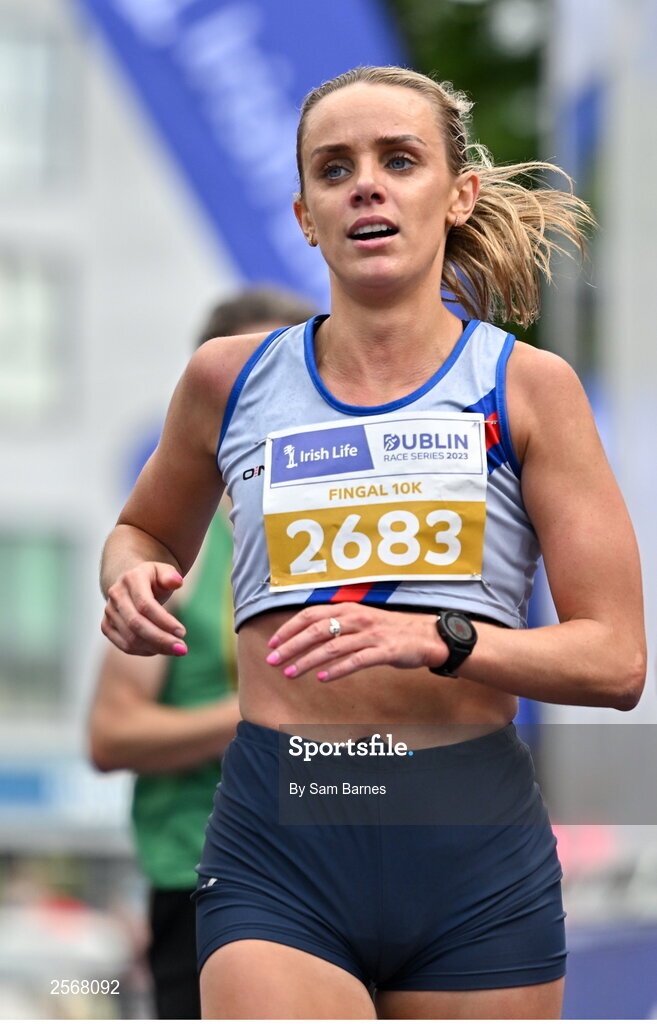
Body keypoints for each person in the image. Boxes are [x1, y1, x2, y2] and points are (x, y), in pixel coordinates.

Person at [99, 66, 646, 1020]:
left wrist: (441, 638)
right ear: (306, 214)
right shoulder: (229, 380)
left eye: (400, 160)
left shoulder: (527, 389)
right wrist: (132, 573)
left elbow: (615, 659)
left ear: (456, 193)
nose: (367, 185)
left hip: (468, 843)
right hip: (285, 830)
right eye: (333, 167)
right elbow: (143, 527)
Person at [90, 288, 316, 1019]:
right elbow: (109, 734)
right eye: (255, 376)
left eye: (296, 369)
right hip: (202, 876)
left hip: (341, 867)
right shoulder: (178, 555)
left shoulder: (350, 528)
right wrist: (251, 714)